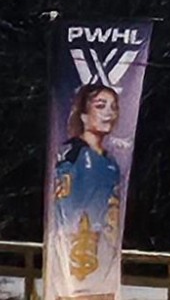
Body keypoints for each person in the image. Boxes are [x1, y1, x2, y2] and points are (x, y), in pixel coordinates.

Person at [50, 82, 125, 293]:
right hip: (79, 251)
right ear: (83, 115)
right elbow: (65, 208)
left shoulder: (112, 163)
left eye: (113, 107)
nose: (109, 113)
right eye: (101, 106)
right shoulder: (72, 156)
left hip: (106, 256)